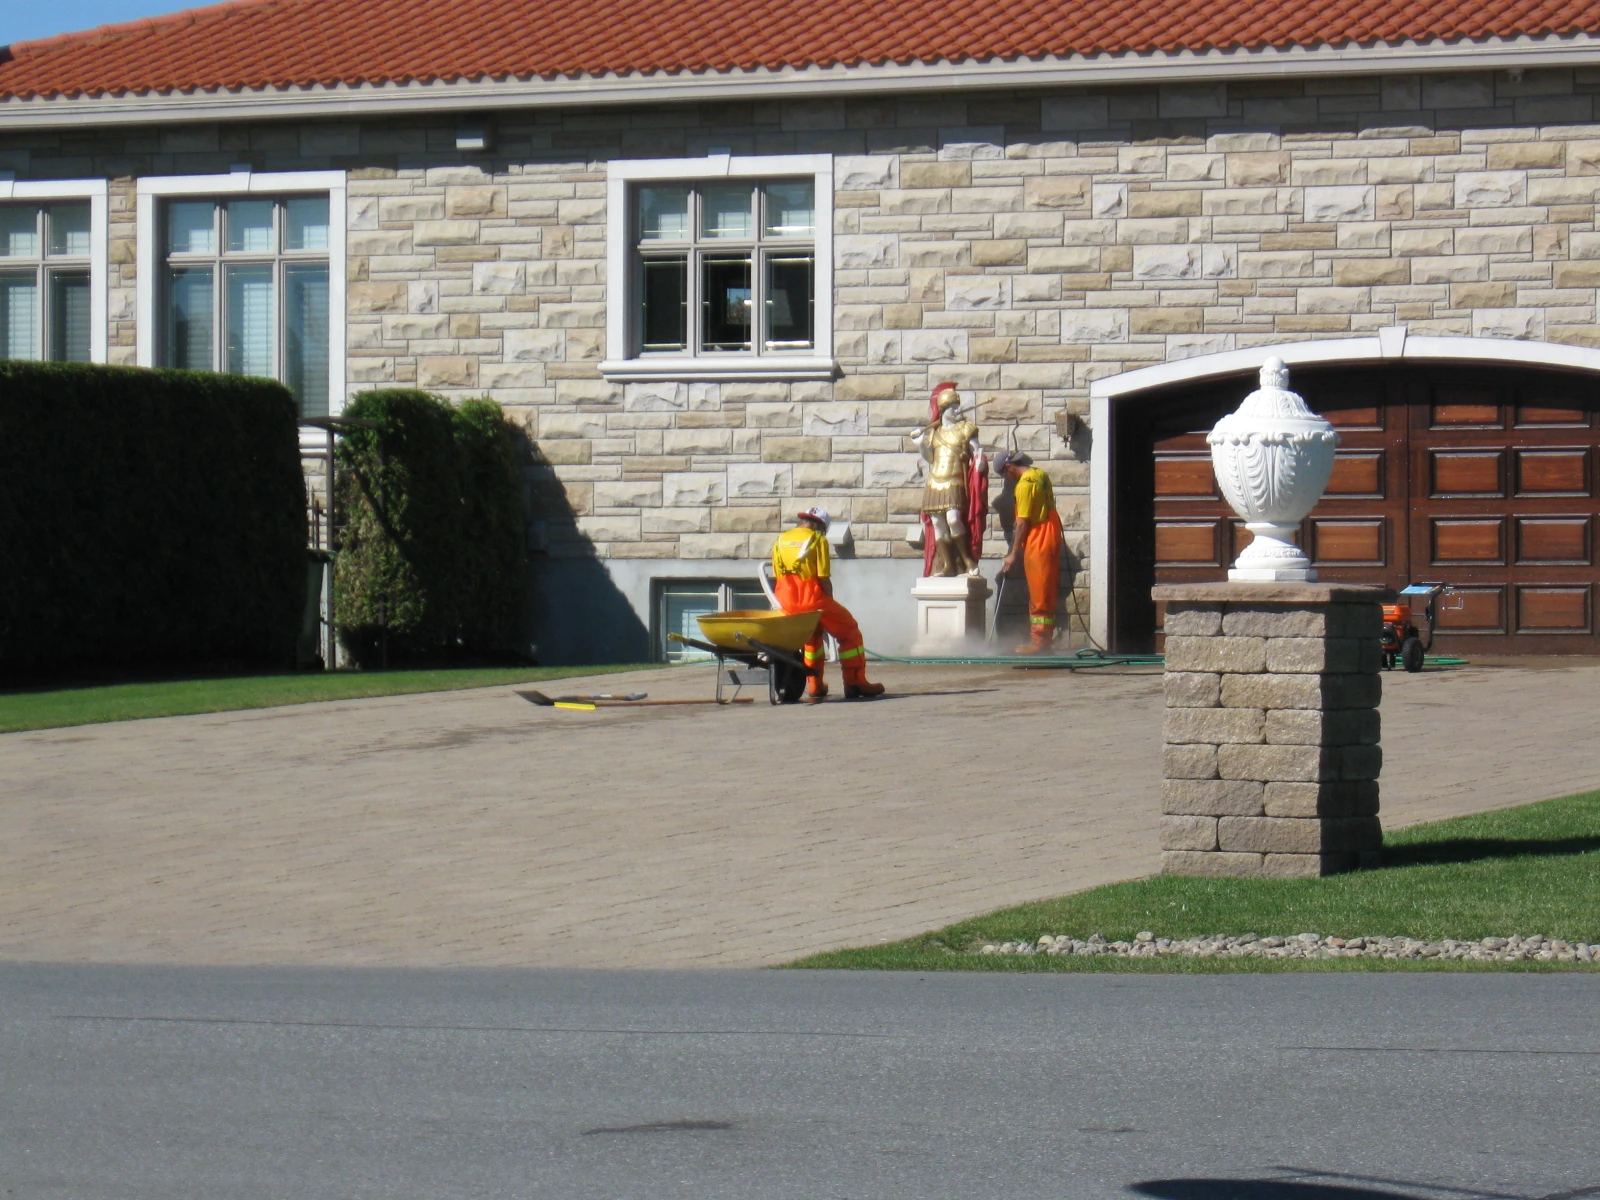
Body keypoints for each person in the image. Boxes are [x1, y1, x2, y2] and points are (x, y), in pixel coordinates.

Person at [769, 506, 885, 700]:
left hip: (786, 601)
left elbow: (777, 575)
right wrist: (829, 602)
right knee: (849, 631)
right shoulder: (817, 540)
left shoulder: (781, 540)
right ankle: (855, 682)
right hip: (812, 598)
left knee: (812, 636)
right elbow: (823, 578)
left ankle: (815, 685)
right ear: (821, 526)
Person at [912, 382, 987, 577]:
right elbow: (930, 458)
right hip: (935, 482)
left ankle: (968, 560)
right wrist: (920, 445)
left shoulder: (966, 429)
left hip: (955, 481)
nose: (957, 410)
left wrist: (979, 463)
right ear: (944, 410)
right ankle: (947, 565)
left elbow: (977, 451)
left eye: (957, 406)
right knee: (938, 523)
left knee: (954, 520)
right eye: (953, 407)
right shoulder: (935, 433)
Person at [995, 451, 1064, 655]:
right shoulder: (1040, 474)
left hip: (1038, 537)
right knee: (1047, 590)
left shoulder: (1024, 485)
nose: (1006, 479)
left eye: (1003, 474)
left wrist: (1013, 554)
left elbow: (1023, 523)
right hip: (1051, 532)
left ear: (1009, 467)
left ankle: (1039, 641)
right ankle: (1045, 640)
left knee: (1039, 592)